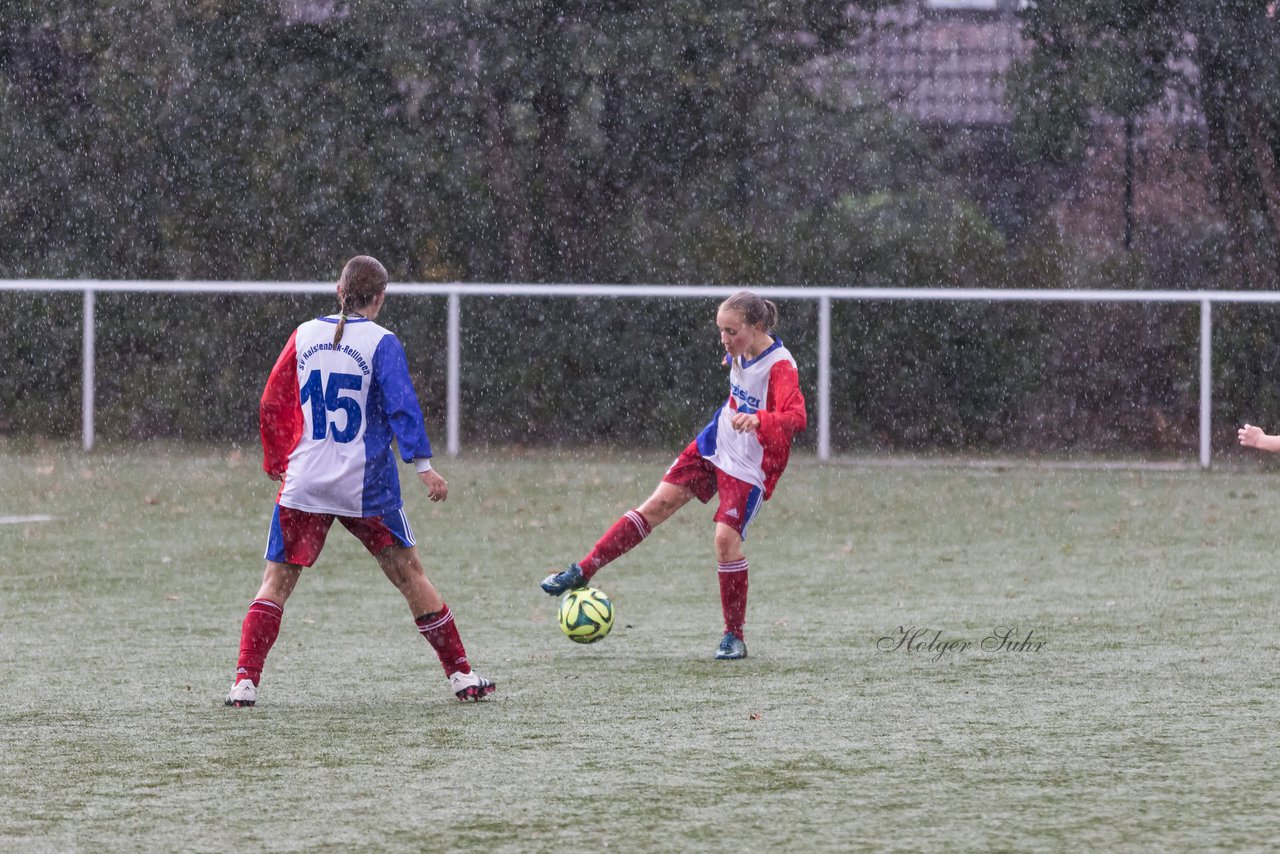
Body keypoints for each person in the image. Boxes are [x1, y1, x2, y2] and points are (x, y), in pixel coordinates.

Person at [226, 255, 494, 707]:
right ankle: (462, 676)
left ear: (339, 289)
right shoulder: (381, 342)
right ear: (381, 297)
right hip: (365, 487)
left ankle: (244, 683)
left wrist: (278, 457)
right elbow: (402, 406)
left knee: (275, 583)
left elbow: (274, 400)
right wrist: (423, 466)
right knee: (411, 577)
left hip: (306, 483)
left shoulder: (305, 333)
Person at [541, 291, 808, 660]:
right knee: (657, 505)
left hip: (752, 463)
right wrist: (734, 356)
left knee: (725, 541)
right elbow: (742, 373)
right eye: (721, 331)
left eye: (732, 332)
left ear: (757, 327)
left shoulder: (781, 366)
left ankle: (734, 635)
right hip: (717, 441)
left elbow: (797, 418)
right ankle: (583, 570)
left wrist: (761, 419)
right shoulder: (740, 349)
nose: (724, 340)